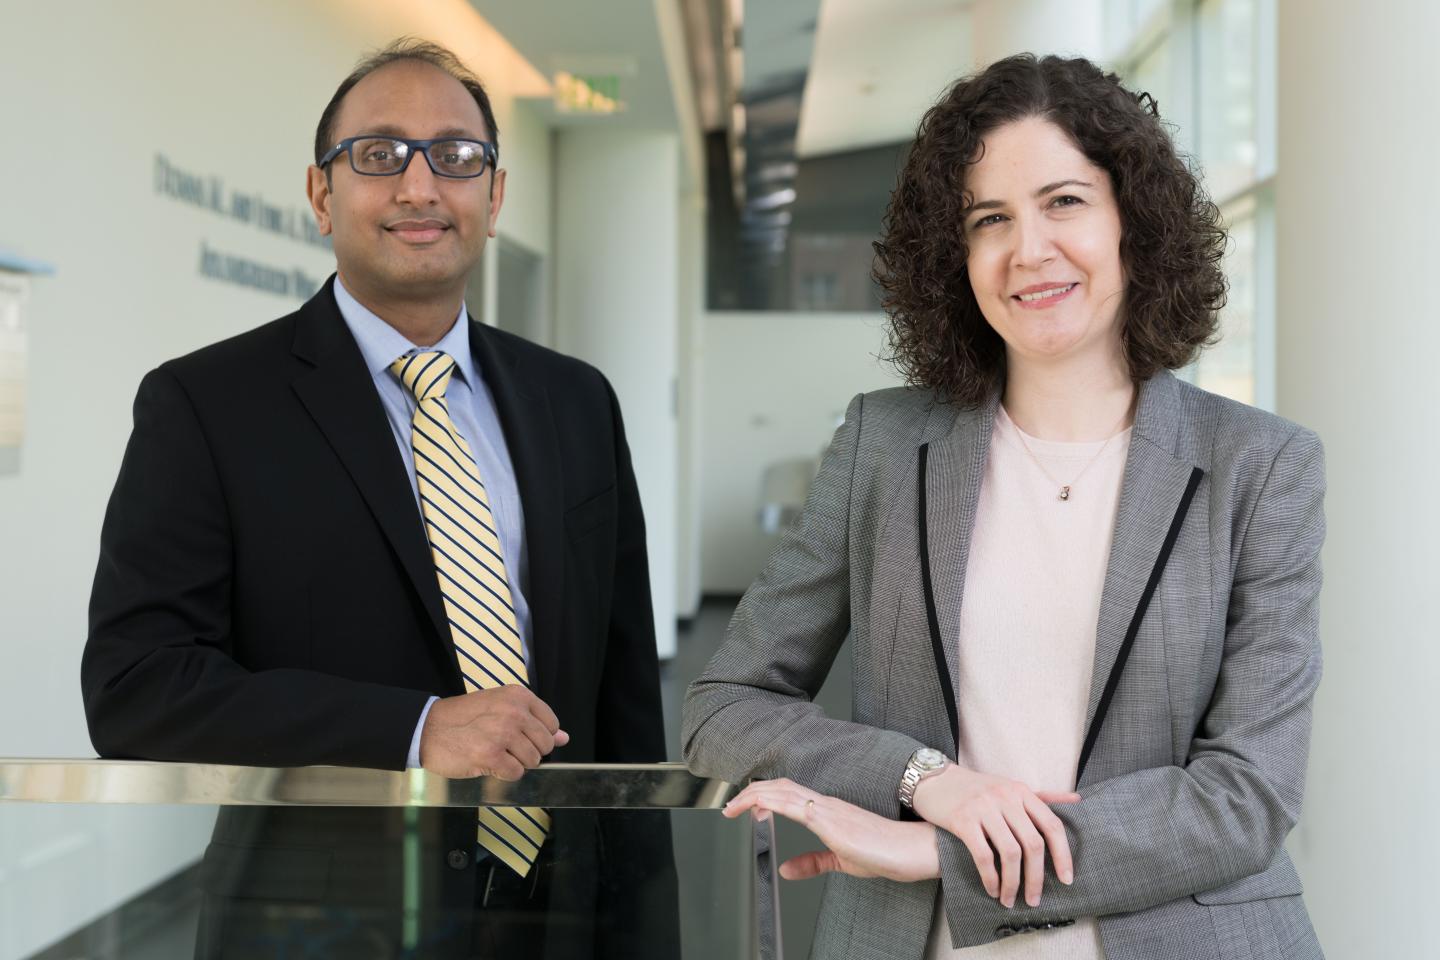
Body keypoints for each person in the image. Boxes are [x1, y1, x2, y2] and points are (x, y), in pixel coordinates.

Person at [683, 53, 1325, 960]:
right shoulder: (882, 444)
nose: (1029, 249)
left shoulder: (1261, 465)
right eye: (991, 219)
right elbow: (724, 706)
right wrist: (926, 782)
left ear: (1132, 224)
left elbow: (1247, 795)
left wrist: (944, 858)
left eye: (1064, 201)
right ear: (958, 256)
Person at [82, 38, 676, 960]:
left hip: (560, 913)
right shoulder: (206, 404)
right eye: (378, 154)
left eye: (456, 156)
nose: (418, 186)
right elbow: (136, 688)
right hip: (318, 922)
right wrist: (413, 728)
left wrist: (646, 931)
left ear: (494, 196)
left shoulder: (576, 401)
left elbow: (626, 699)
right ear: (322, 195)